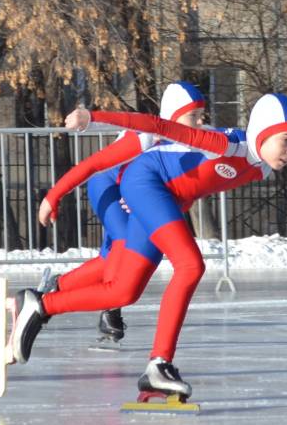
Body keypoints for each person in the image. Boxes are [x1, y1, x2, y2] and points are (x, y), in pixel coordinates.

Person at [12, 93, 287, 401]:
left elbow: (196, 181)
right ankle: (159, 364)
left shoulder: (261, 167)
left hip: (165, 198)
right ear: (262, 131)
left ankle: (40, 305)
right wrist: (93, 118)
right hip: (147, 184)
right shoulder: (224, 144)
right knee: (191, 265)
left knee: (123, 290)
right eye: (286, 141)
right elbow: (155, 125)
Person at [37, 82, 208, 344]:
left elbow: (184, 198)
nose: (199, 123)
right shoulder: (145, 138)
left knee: (112, 261)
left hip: (135, 196)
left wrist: (149, 201)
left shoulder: (192, 147)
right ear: (173, 116)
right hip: (106, 185)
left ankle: (60, 286)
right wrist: (54, 195)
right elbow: (92, 165)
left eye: (201, 116)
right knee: (121, 245)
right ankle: (109, 306)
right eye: (192, 116)